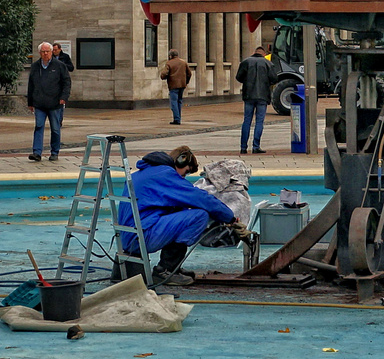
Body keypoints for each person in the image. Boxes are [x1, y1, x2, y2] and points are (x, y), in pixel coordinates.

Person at [115, 146, 240, 285]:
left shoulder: (143, 173)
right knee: (199, 216)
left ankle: (173, 267)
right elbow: (201, 198)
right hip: (141, 237)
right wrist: (230, 217)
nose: (183, 178)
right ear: (179, 162)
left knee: (180, 211)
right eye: (185, 172)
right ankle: (165, 270)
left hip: (129, 238)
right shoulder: (165, 175)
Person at [26, 42, 71, 162]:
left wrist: (64, 97)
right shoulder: (35, 66)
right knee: (39, 126)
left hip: (55, 103)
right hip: (39, 103)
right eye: (43, 52)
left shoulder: (60, 65)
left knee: (55, 128)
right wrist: (30, 102)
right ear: (39, 53)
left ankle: (54, 152)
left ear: (52, 52)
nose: (45, 54)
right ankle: (37, 152)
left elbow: (66, 82)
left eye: (47, 51)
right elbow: (31, 84)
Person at [235, 45, 274, 154]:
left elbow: (238, 77)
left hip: (249, 95)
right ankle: (256, 146)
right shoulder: (268, 63)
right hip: (262, 96)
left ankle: (243, 147)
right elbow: (274, 78)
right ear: (264, 54)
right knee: (259, 121)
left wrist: (247, 81)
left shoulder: (246, 62)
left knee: (247, 120)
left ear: (254, 52)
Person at [159, 49, 191, 125]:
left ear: (170, 56)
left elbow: (164, 74)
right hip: (182, 85)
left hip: (173, 85)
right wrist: (186, 82)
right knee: (179, 101)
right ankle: (178, 117)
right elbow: (189, 73)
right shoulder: (183, 62)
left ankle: (177, 119)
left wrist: (163, 76)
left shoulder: (169, 63)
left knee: (174, 102)